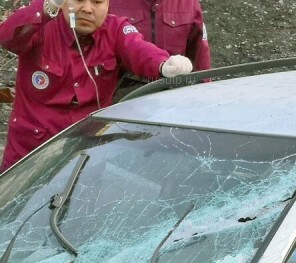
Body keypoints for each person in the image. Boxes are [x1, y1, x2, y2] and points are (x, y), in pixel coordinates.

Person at [0, 0, 193, 172]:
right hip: (29, 156)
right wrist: (46, 6)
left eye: (97, 2)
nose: (87, 9)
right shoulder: (40, 26)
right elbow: (7, 36)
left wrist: (164, 64)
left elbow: (138, 49)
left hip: (85, 154)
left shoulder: (116, 29)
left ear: (108, 5)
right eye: (79, 0)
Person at [108, 0, 210, 72]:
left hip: (172, 84)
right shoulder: (108, 3)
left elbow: (200, 51)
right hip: (124, 88)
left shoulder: (189, 3)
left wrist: (204, 88)